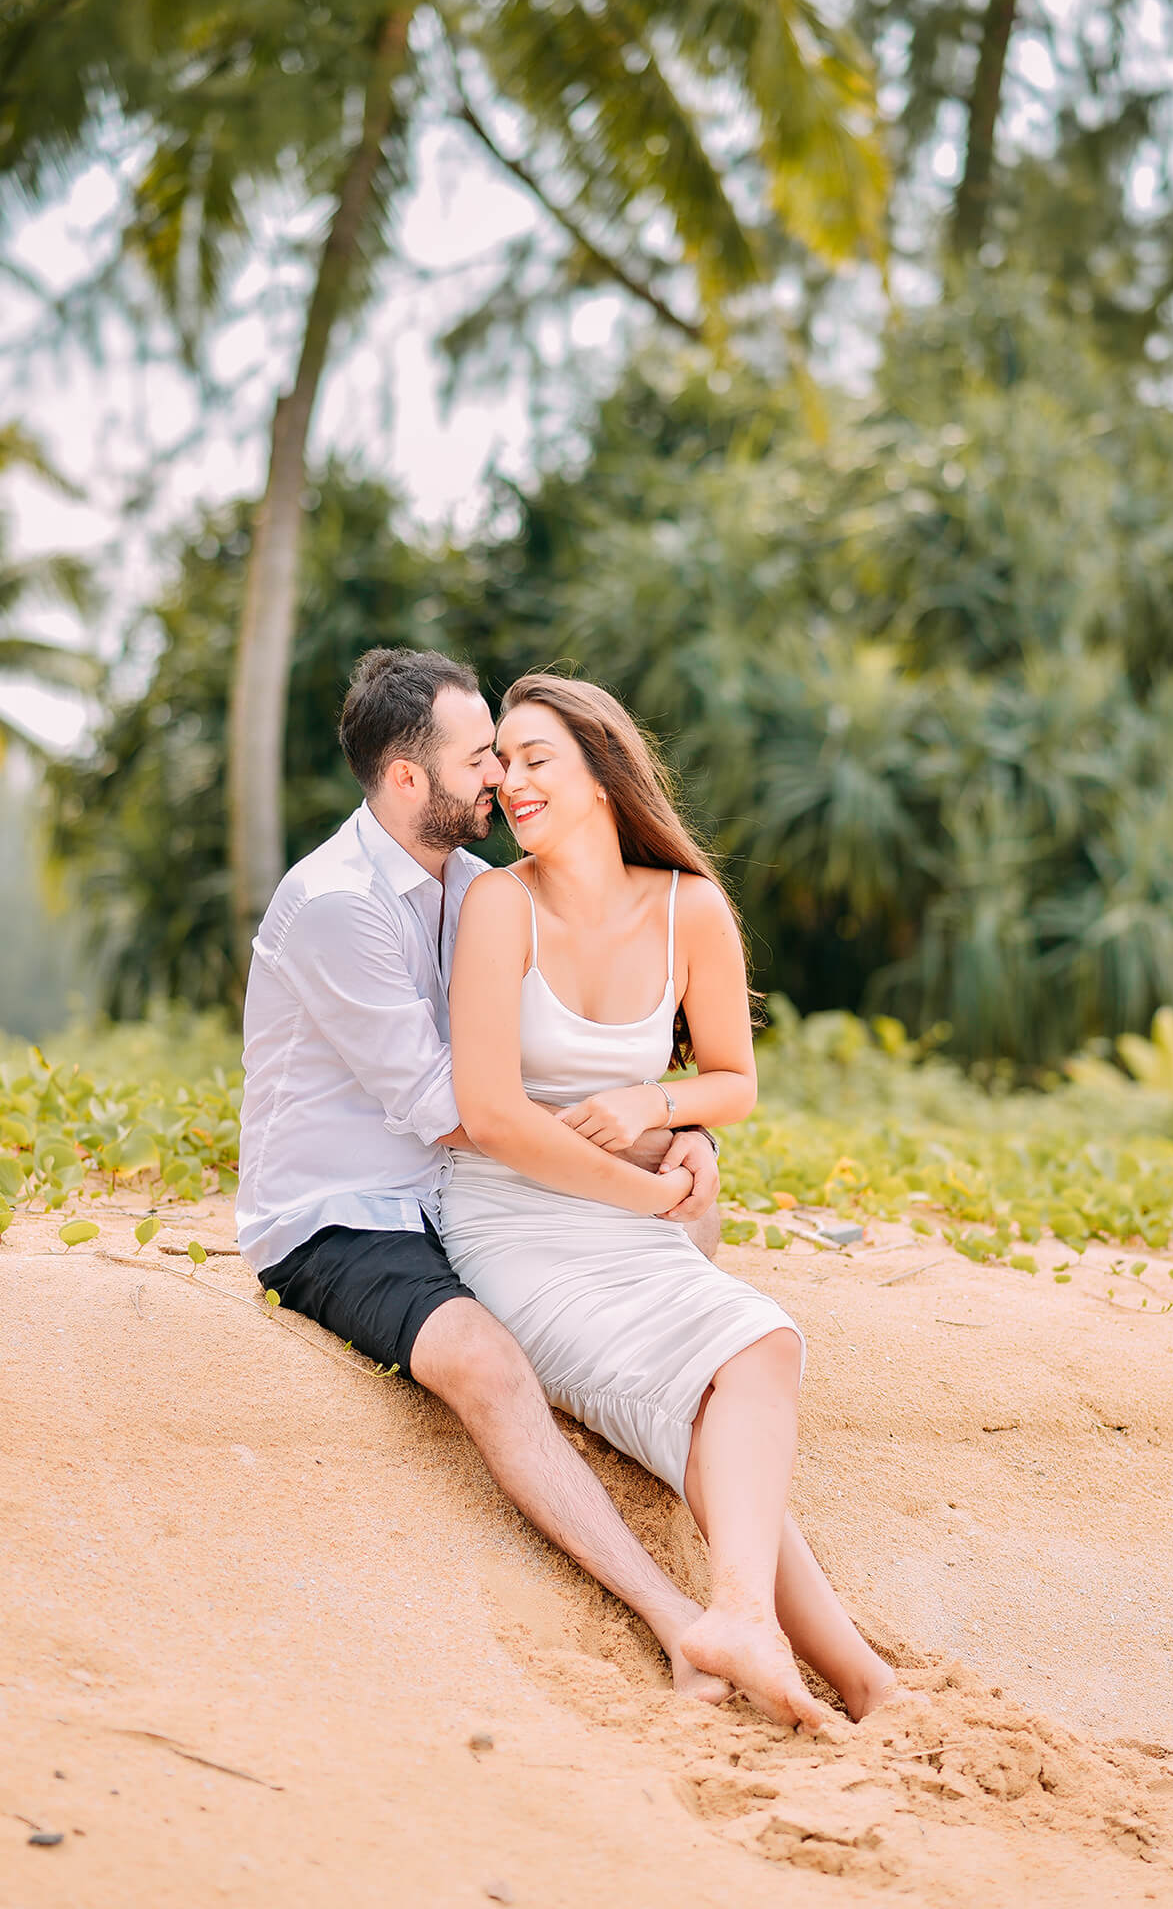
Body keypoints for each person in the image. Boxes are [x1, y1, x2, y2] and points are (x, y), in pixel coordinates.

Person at [236, 647, 731, 1702]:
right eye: (481, 759)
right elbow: (463, 1110)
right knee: (484, 1359)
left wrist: (676, 1125)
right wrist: (646, 1158)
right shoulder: (335, 902)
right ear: (408, 779)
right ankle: (677, 1620)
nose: (502, 779)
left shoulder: (471, 883)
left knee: (696, 1204)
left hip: (459, 1197)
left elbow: (536, 1073)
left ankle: (688, 1447)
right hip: (340, 1217)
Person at [442, 674, 899, 1731]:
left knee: (757, 1347)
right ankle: (838, 1663)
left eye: (534, 757)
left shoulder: (689, 906)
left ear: (602, 773)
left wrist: (656, 1102)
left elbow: (733, 1079)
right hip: (511, 1222)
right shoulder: (497, 904)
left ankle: (772, 1630)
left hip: (625, 1211)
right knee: (715, 1374)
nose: (509, 781)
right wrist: (647, 1183)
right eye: (501, 763)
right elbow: (492, 1112)